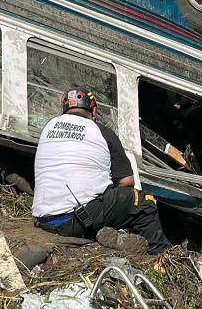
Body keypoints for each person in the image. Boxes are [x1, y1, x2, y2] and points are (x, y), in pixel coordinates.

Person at [32, 87, 171, 254]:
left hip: (43, 219)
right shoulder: (101, 131)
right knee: (143, 202)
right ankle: (159, 257)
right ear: (94, 111)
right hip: (75, 220)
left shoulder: (48, 128)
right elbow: (127, 181)